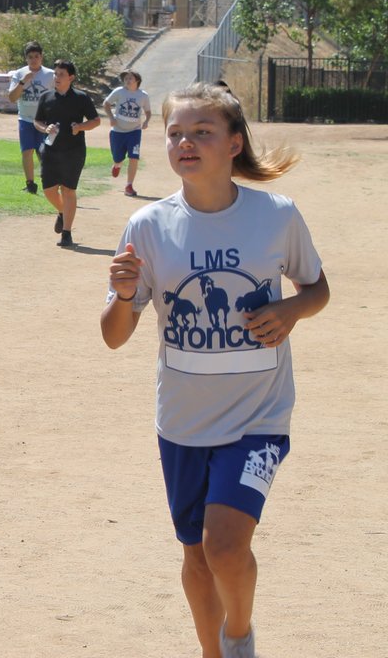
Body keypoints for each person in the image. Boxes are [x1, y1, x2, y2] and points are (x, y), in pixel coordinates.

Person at [100, 83, 330, 658]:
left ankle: (238, 636)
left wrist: (290, 310)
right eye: (176, 133)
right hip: (182, 422)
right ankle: (212, 652)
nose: (186, 143)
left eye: (202, 132)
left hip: (258, 417)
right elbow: (114, 335)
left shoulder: (275, 216)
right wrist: (123, 295)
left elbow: (317, 288)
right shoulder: (148, 226)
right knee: (197, 555)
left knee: (224, 545)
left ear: (233, 144)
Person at [34, 58, 101, 248]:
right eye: (55, 74)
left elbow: (95, 120)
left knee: (68, 190)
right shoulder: (46, 97)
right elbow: (37, 121)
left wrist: (80, 127)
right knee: (48, 190)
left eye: (61, 74)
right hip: (50, 150)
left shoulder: (81, 98)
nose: (57, 77)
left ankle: (67, 233)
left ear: (71, 77)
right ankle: (63, 212)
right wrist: (45, 128)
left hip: (74, 151)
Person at [5, 41, 55, 195]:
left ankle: (51, 182)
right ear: (26, 58)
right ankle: (30, 184)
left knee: (45, 153)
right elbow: (12, 98)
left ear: (41, 57)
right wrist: (23, 82)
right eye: (30, 57)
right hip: (25, 119)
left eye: (36, 56)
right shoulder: (19, 74)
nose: (34, 60)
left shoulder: (50, 75)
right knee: (27, 152)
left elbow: (60, 94)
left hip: (44, 121)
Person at [104, 70, 152, 197]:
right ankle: (117, 164)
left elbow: (148, 112)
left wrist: (146, 121)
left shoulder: (143, 95)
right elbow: (106, 104)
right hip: (118, 131)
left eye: (130, 78)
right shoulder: (119, 91)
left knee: (133, 157)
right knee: (117, 157)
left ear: (137, 81)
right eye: (125, 78)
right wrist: (111, 118)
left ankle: (129, 185)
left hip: (134, 131)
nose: (127, 80)